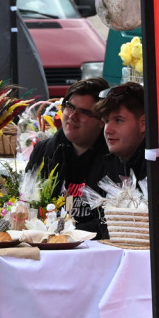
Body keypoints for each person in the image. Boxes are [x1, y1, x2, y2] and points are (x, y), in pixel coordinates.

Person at [26, 77, 109, 234]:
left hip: (95, 249)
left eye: (84, 112)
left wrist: (66, 233)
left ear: (102, 121)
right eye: (70, 107)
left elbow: (112, 222)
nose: (72, 116)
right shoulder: (44, 151)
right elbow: (27, 204)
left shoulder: (113, 157)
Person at [95, 81, 147, 184]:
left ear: (143, 124)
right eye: (106, 121)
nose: (108, 130)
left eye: (118, 120)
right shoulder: (107, 164)